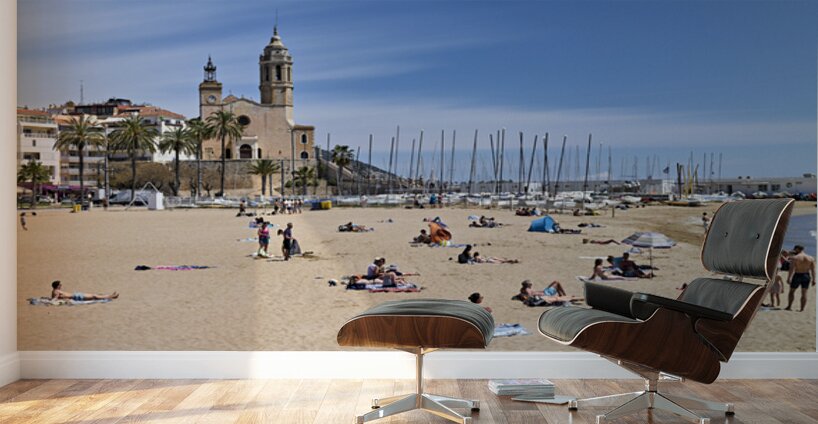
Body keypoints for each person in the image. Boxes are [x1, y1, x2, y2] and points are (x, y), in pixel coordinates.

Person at [785, 245, 815, 312]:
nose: (794, 251)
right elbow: (813, 270)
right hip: (806, 275)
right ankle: (802, 309)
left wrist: (789, 278)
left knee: (792, 291)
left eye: (795, 249)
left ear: (798, 249)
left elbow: (792, 269)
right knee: (804, 293)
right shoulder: (811, 258)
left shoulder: (795, 258)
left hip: (797, 275)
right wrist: (814, 279)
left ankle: (789, 306)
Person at [51, 280, 118, 301]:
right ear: (57, 286)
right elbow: (55, 298)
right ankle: (112, 296)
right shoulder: (56, 291)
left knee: (95, 295)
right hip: (76, 297)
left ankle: (110, 295)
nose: (61, 285)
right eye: (60, 285)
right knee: (94, 296)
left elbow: (55, 297)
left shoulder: (55, 291)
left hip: (76, 295)